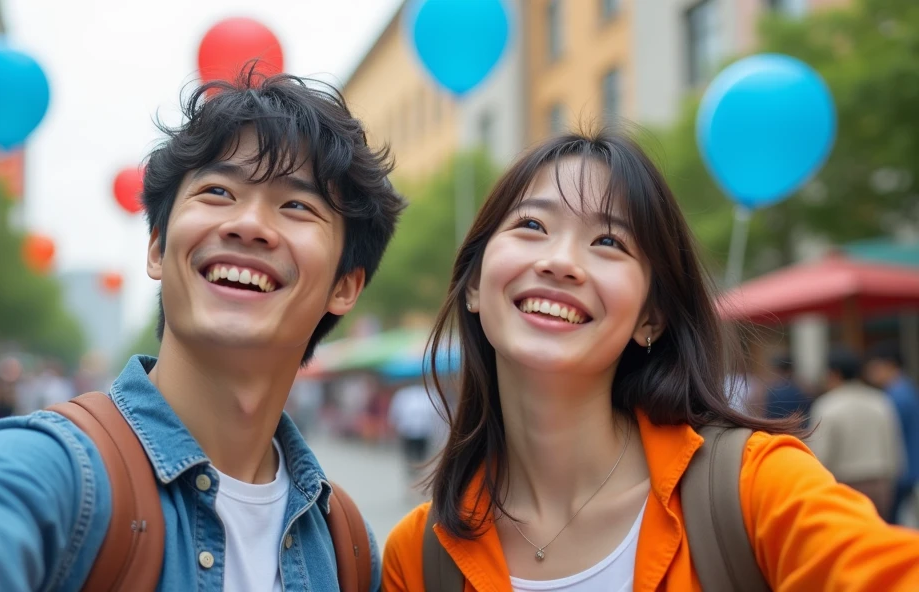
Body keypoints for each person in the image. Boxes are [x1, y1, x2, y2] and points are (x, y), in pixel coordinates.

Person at [0, 70, 404, 592]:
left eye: (296, 205)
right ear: (158, 247)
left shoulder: (346, 546)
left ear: (345, 285)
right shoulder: (65, 472)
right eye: (217, 191)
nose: (248, 224)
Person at [381, 130, 919, 591]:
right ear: (474, 283)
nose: (562, 262)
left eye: (609, 240)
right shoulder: (420, 559)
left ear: (651, 317)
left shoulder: (755, 487)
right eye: (532, 226)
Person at [807, 347, 903, 521]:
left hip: (845, 484)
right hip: (880, 482)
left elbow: (819, 455)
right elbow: (893, 445)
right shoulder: (880, 400)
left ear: (833, 374)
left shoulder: (827, 406)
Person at [865, 341, 919, 524]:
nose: (871, 373)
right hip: (909, 466)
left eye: (875, 367)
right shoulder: (905, 389)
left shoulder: (895, 396)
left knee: (893, 522)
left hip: (902, 469)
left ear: (889, 365)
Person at [387, 381, 445, 481]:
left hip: (416, 432)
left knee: (414, 458)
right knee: (416, 458)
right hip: (414, 432)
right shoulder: (426, 394)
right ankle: (415, 478)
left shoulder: (405, 394)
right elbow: (436, 415)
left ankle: (414, 478)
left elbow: (395, 414)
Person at [763, 353, 811, 423]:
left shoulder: (773, 391)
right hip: (797, 428)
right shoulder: (802, 389)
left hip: (777, 427)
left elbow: (768, 414)